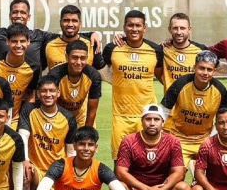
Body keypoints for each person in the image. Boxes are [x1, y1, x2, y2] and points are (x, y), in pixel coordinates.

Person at [161, 50, 227, 190]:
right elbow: (163, 110)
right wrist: (163, 137)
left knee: (213, 173)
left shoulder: (220, 89)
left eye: (209, 69)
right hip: (179, 138)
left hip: (204, 139)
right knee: (177, 176)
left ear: (214, 71)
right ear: (194, 68)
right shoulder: (181, 84)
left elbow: (223, 119)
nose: (205, 73)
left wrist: (212, 141)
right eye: (201, 68)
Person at [102, 9, 164, 159]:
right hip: (121, 116)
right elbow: (104, 72)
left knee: (149, 161)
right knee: (120, 162)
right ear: (124, 27)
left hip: (147, 115)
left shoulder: (155, 50)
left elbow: (162, 78)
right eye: (130, 25)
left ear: (144, 28)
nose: (134, 29)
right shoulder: (112, 49)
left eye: (138, 25)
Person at [114, 104, 189, 190]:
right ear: (142, 122)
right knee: (119, 187)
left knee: (184, 188)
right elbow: (120, 172)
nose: (152, 123)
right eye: (148, 119)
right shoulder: (129, 141)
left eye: (156, 119)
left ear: (163, 122)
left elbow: (179, 172)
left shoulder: (173, 142)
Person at [19, 76, 78, 190]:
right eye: (44, 91)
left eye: (52, 91)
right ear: (38, 93)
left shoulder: (68, 118)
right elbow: (23, 135)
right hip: (36, 171)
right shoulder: (29, 109)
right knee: (24, 170)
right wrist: (25, 160)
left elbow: (71, 151)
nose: (48, 94)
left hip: (56, 174)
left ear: (58, 92)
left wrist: (69, 175)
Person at [46, 40, 103, 128]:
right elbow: (50, 105)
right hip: (60, 116)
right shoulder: (55, 75)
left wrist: (87, 132)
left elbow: (92, 110)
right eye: (75, 57)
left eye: (83, 58)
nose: (79, 62)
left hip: (81, 116)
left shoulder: (94, 76)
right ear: (67, 57)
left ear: (87, 58)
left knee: (87, 140)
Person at [0, 23, 40, 130]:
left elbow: (30, 94)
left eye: (22, 41)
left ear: (28, 42)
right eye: (14, 41)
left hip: (13, 119)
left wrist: (26, 118)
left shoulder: (33, 68)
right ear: (7, 41)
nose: (19, 45)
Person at [42, 4, 106, 71]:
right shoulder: (48, 46)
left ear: (80, 24)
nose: (70, 24)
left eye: (74, 21)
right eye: (66, 20)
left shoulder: (91, 44)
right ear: (60, 23)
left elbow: (100, 71)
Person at [160, 13, 209, 90]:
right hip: (171, 101)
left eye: (182, 28)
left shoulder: (201, 50)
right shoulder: (162, 50)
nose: (179, 32)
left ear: (189, 29)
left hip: (194, 99)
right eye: (175, 28)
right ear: (170, 29)